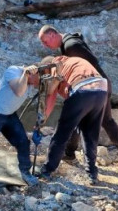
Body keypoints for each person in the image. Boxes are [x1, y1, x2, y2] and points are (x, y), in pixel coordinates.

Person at [37, 25, 118, 162]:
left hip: (94, 86)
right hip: (100, 84)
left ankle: (72, 154)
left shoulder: (70, 46)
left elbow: (92, 63)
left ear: (52, 35)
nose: (45, 45)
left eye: (45, 41)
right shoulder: (68, 42)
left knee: (86, 118)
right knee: (103, 120)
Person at [37, 55, 108, 185]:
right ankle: (92, 173)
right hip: (102, 90)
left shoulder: (55, 65)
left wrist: (41, 121)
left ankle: (47, 170)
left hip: (82, 90)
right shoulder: (72, 61)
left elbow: (50, 95)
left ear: (47, 68)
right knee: (90, 133)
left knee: (61, 133)